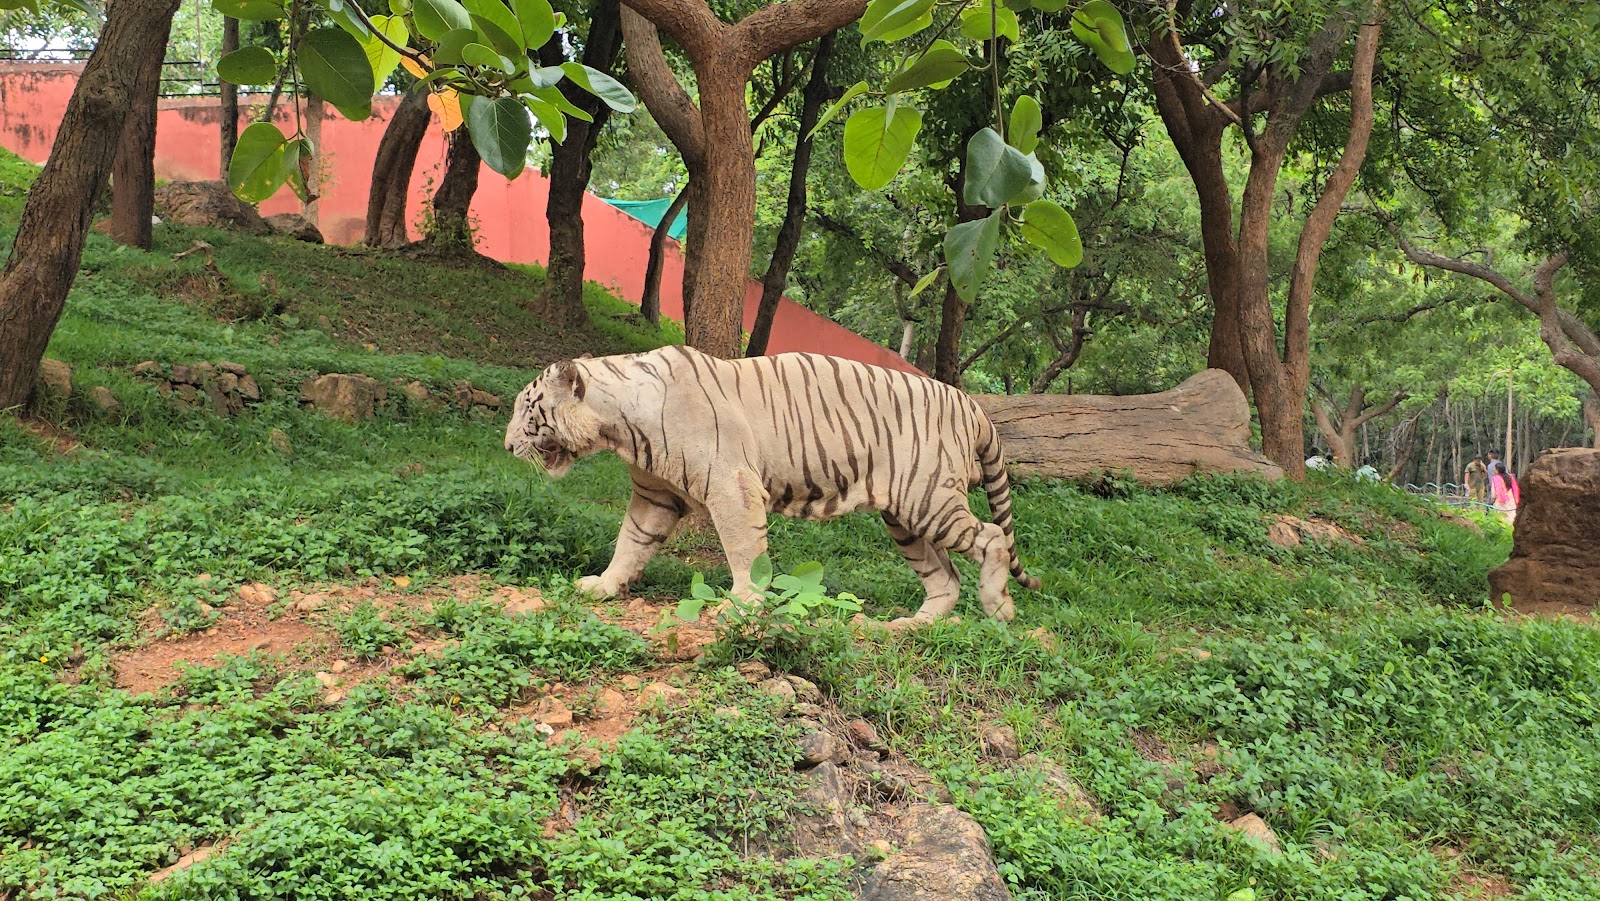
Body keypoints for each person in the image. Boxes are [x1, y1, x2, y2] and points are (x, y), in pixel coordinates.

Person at [1486, 451, 1519, 522]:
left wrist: (1491, 501)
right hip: (1511, 501)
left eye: (1495, 469)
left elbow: (1493, 494)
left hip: (1500, 502)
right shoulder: (1510, 477)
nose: (1494, 470)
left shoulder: (1496, 479)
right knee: (1511, 518)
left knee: (1500, 519)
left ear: (1497, 470)